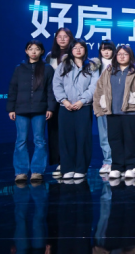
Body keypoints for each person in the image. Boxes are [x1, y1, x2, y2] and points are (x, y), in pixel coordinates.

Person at [93, 45, 135, 179]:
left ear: (130, 56)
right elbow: (99, 90)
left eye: (125, 54)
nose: (122, 56)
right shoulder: (109, 70)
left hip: (131, 112)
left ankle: (131, 166)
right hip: (112, 112)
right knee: (114, 140)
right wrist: (98, 109)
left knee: (131, 140)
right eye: (119, 54)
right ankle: (117, 166)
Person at [7, 40, 57, 183]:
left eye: (37, 49)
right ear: (26, 51)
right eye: (30, 49)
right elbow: (13, 89)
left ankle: (37, 171)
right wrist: (11, 108)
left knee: (39, 140)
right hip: (21, 110)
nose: (34, 51)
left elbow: (50, 90)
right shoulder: (19, 68)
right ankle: (21, 172)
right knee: (21, 140)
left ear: (42, 51)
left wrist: (50, 108)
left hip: (40, 110)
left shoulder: (47, 69)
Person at [52, 38, 100, 179]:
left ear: (85, 49)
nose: (78, 50)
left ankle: (81, 168)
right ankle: (67, 168)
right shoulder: (63, 65)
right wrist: (64, 100)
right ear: (71, 50)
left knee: (83, 138)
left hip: (83, 107)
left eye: (81, 47)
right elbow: (57, 84)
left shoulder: (91, 66)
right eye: (75, 47)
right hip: (65, 107)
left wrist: (82, 101)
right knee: (66, 138)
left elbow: (94, 86)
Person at [44, 27, 74, 177]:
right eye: (59, 37)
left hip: (71, 97)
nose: (62, 39)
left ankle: (70, 161)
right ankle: (59, 161)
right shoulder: (50, 56)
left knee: (69, 131)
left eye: (65, 36)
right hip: (53, 97)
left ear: (70, 38)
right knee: (54, 131)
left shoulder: (75, 53)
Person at [96, 40, 116, 175]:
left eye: (109, 49)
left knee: (116, 134)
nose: (106, 52)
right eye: (103, 49)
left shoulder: (119, 64)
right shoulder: (94, 66)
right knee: (104, 134)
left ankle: (117, 161)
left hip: (116, 104)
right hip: (101, 104)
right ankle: (107, 161)